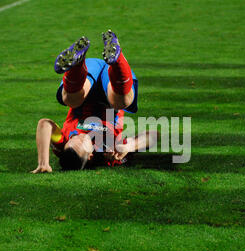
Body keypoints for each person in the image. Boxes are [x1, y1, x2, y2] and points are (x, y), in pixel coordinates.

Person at [32, 30, 157, 173]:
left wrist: (43, 162)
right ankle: (117, 58)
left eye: (73, 140)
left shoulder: (63, 143)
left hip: (85, 82)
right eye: (80, 143)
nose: (78, 137)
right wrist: (129, 146)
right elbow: (154, 135)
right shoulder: (110, 152)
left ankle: (77, 62)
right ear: (90, 156)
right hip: (112, 85)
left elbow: (45, 124)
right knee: (122, 101)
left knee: (71, 100)